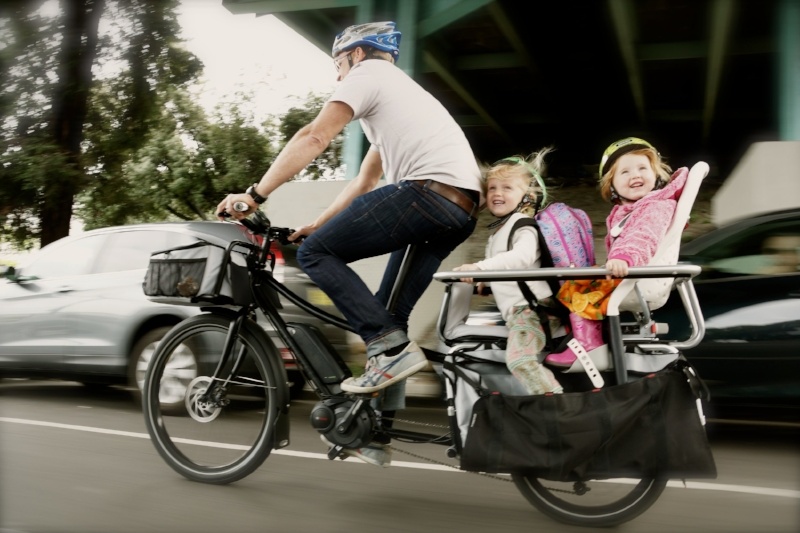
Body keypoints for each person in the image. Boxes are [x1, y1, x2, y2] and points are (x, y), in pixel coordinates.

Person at [216, 21, 482, 466]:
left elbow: (314, 137)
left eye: (337, 65)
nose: (337, 77)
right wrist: (318, 223)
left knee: (322, 260)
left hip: (427, 194)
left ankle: (389, 350)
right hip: (459, 211)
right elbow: (366, 180)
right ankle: (372, 429)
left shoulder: (368, 76)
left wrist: (255, 194)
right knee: (389, 315)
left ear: (356, 55)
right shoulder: (398, 98)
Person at [545, 137, 689, 368]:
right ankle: (590, 339)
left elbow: (643, 237)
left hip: (636, 275)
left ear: (656, 175)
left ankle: (588, 345)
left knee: (575, 286)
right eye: (625, 172)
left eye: (643, 168)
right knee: (579, 279)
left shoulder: (654, 207)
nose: (635, 175)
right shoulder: (635, 209)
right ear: (612, 185)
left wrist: (624, 257)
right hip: (636, 274)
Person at [453, 149, 564, 395]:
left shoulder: (523, 224)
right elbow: (512, 270)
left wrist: (480, 267)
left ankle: (558, 407)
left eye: (507, 188)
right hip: (519, 311)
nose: (497, 193)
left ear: (528, 196)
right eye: (492, 188)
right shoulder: (498, 232)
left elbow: (522, 258)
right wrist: (487, 282)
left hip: (532, 311)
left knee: (520, 361)